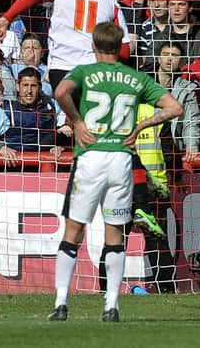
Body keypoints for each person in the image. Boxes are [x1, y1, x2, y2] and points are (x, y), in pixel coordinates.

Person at [48, 22, 182, 322]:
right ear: (121, 47)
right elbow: (175, 108)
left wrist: (77, 122)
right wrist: (142, 126)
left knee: (74, 230)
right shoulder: (135, 78)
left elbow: (60, 91)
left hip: (91, 156)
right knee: (115, 233)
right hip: (121, 159)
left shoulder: (85, 72)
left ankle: (60, 303)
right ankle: (111, 306)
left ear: (94, 46)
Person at [0, 0, 131, 92]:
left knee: (71, 112)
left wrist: (6, 18)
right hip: (94, 70)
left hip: (61, 68)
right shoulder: (110, 2)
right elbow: (125, 49)